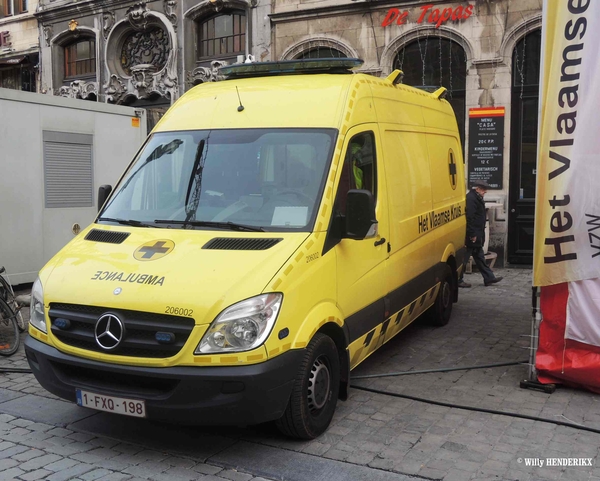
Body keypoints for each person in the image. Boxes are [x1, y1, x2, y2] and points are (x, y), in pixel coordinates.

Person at [458, 180, 503, 287]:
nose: (485, 192)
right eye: (483, 189)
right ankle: (458, 280)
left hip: (477, 233)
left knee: (480, 257)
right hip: (473, 235)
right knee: (464, 259)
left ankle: (489, 278)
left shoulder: (476, 197)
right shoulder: (471, 198)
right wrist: (472, 234)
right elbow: (470, 218)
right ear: (477, 189)